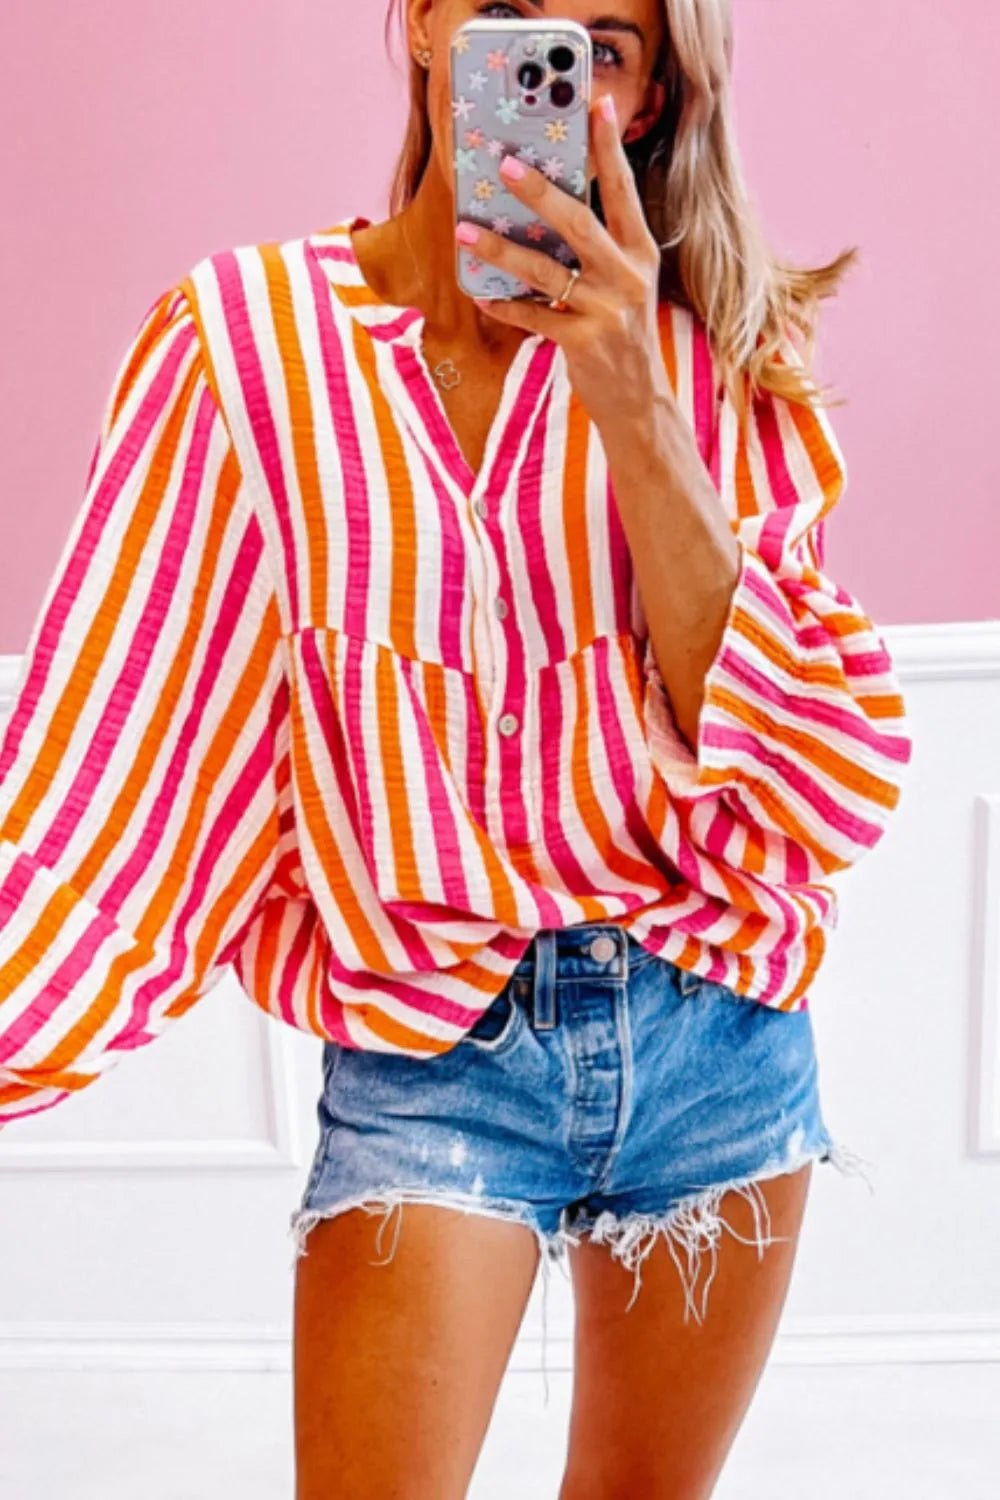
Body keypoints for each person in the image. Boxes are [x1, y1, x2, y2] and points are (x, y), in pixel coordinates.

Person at [0, 1, 913, 1495]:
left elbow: (825, 789)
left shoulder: (720, 355)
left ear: (652, 93)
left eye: (603, 44)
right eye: (510, 23)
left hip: (719, 1043)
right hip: (435, 1052)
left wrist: (632, 397)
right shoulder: (242, 349)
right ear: (428, 24)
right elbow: (103, 800)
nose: (554, 66)